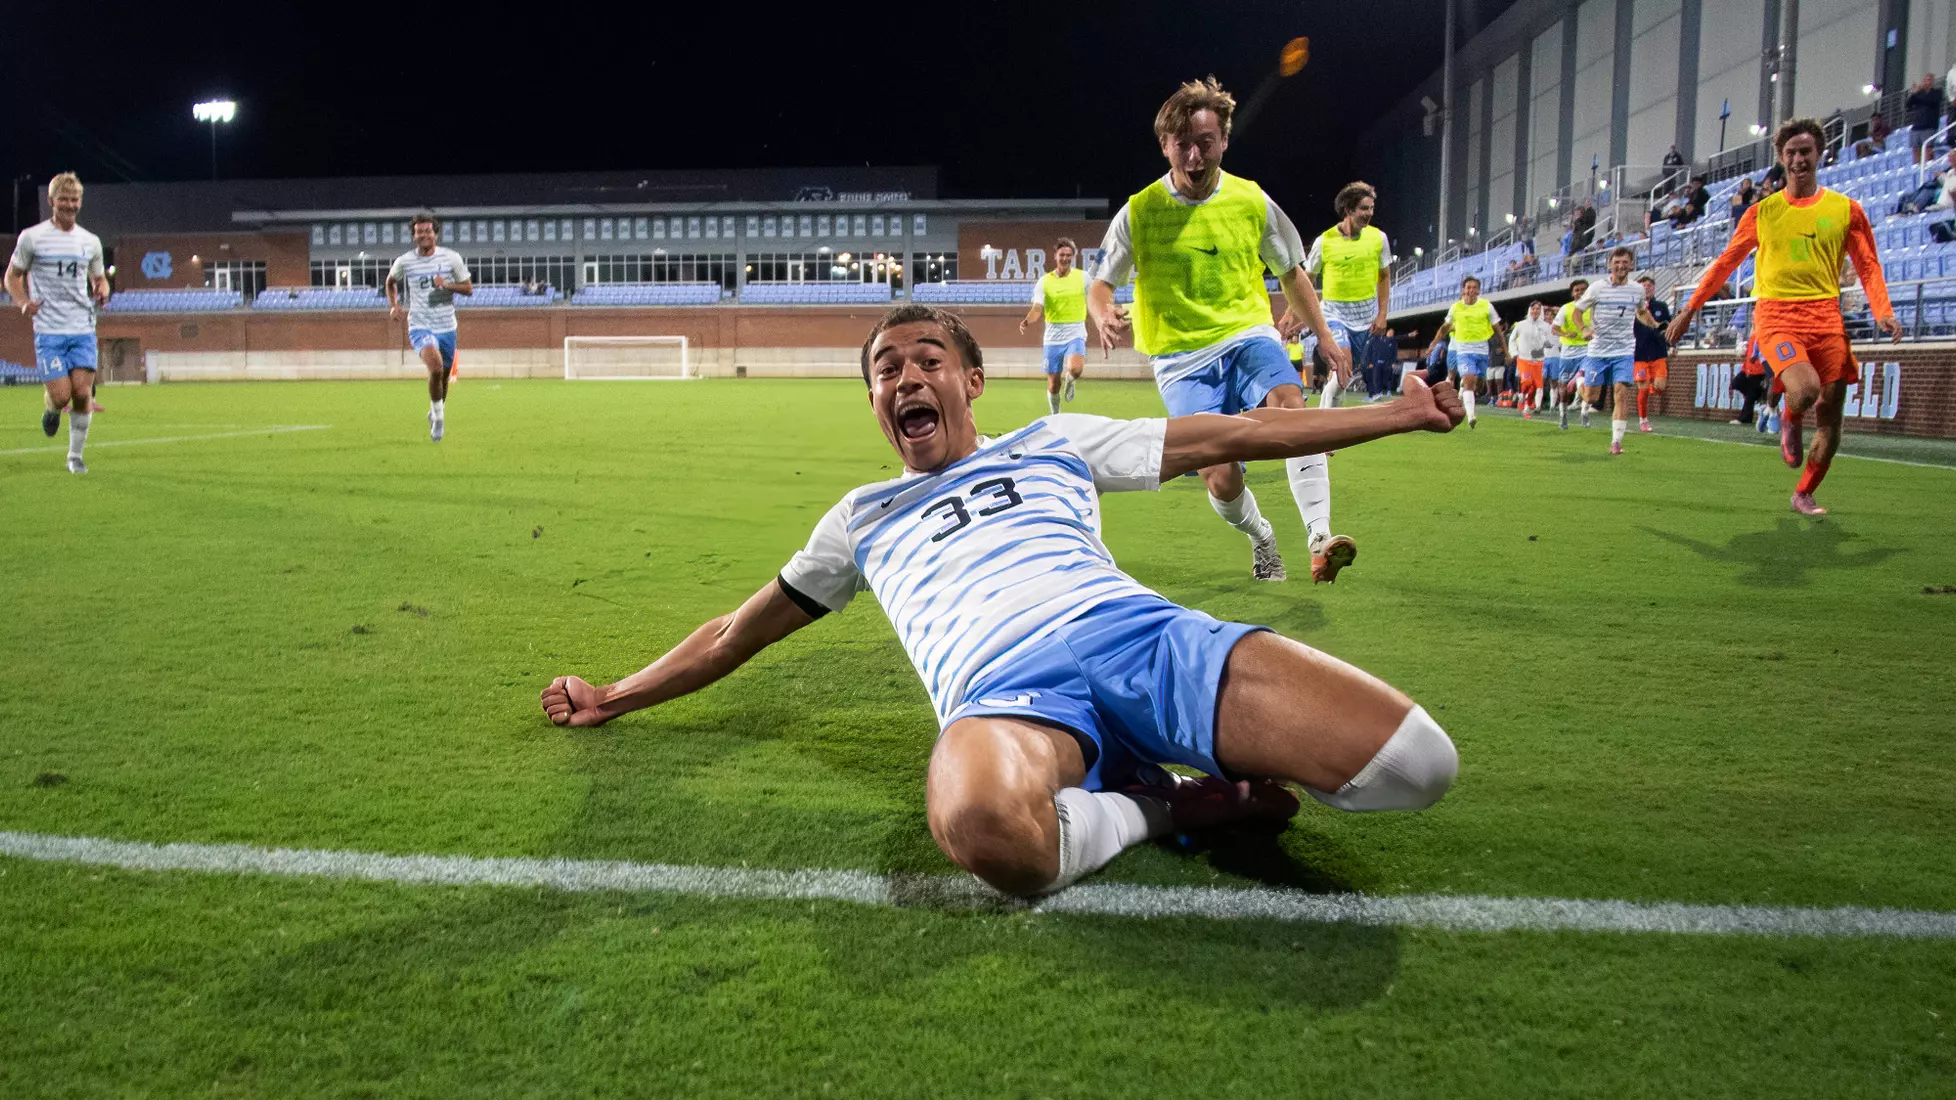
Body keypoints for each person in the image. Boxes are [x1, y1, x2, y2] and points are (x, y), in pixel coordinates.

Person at [539, 305, 1466, 898]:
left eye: (926, 359)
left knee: (1415, 763)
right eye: (885, 369)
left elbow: (1235, 429)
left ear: (970, 381)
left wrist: (1397, 413)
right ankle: (1176, 808)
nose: (905, 377)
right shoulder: (859, 519)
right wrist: (614, 696)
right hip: (1006, 700)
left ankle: (1182, 764)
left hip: (1140, 639)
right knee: (983, 824)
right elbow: (736, 633)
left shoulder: (1054, 440)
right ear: (873, 402)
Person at [1088, 77, 1354, 584]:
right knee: (1220, 472)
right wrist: (1102, 313)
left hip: (1247, 333)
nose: (1193, 157)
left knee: (1289, 406)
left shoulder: (1252, 201)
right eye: (1182, 145)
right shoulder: (1139, 212)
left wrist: (1324, 334)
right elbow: (1101, 283)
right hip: (1180, 357)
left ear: (1224, 141)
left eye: (1205, 143)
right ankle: (1262, 537)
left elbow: (1291, 272)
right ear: (1164, 145)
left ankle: (1320, 537)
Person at [1667, 117, 1902, 515]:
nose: (1798, 159)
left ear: (1819, 154)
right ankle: (1788, 416)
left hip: (1827, 317)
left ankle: (1804, 492)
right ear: (1780, 158)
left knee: (1831, 415)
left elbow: (1868, 266)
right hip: (1777, 314)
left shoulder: (1847, 210)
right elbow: (1726, 263)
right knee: (1805, 389)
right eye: (1790, 153)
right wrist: (1690, 309)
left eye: (1805, 151)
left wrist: (1884, 311)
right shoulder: (1763, 213)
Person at [5, 173, 109, 474]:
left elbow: (99, 277)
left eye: (74, 199)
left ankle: (74, 457)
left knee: (81, 394)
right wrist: (23, 302)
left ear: (80, 202)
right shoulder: (32, 237)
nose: (70, 205)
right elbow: (12, 276)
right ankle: (51, 408)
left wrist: (102, 289)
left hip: (82, 327)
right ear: (52, 201)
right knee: (62, 395)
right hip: (49, 330)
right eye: (64, 199)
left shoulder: (90, 241)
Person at [1306, 181, 1394, 410]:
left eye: (1372, 208)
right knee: (1342, 366)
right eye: (1364, 208)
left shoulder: (1378, 239)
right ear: (1348, 209)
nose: (1369, 214)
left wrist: (1382, 313)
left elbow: (1384, 277)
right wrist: (1291, 313)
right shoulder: (1324, 241)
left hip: (1363, 321)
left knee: (1341, 380)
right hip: (1333, 314)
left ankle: (1324, 427)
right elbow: (1307, 279)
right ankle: (1325, 438)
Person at [386, 213, 473, 441]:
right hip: (420, 324)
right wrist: (394, 306)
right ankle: (439, 419)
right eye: (419, 231)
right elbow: (390, 281)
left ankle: (434, 411)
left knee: (443, 378)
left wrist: (447, 284)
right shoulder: (405, 261)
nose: (423, 235)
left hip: (446, 325)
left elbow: (468, 289)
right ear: (414, 235)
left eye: (427, 231)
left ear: (435, 233)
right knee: (434, 367)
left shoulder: (451, 258)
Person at [1569, 248, 1655, 454]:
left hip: (1624, 349)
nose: (1620, 266)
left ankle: (1616, 441)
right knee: (1591, 397)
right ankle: (1580, 381)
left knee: (1621, 393)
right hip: (1598, 350)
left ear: (1631, 265)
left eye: (1625, 262)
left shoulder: (1637, 290)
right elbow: (1577, 312)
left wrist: (1656, 325)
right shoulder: (1597, 288)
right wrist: (1583, 329)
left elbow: (1641, 312)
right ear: (1610, 264)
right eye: (1617, 262)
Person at [1420, 275, 1504, 429]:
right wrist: (1433, 345)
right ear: (1463, 290)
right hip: (1461, 349)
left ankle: (1463, 391)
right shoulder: (1456, 308)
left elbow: (1497, 329)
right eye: (1468, 288)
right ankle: (1470, 414)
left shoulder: (1486, 306)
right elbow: (1445, 328)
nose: (1471, 291)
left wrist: (1506, 351)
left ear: (1478, 290)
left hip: (1482, 350)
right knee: (1462, 378)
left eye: (1474, 288)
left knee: (1477, 382)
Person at [1019, 237, 1090, 415]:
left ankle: (1071, 380)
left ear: (1073, 257)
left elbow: (1095, 299)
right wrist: (1028, 320)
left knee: (1076, 368)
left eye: (1068, 255)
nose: (1065, 258)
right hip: (1053, 336)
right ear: (1055, 256)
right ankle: (1055, 416)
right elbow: (1037, 308)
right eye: (1062, 254)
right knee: (1053, 383)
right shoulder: (1044, 281)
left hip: (1076, 330)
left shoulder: (1084, 278)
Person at [1549, 279, 1592, 427]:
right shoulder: (1566, 308)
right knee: (1563, 383)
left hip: (1588, 349)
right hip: (1568, 352)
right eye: (1577, 290)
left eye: (1583, 289)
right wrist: (1566, 334)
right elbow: (1554, 328)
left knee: (1586, 378)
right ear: (1572, 293)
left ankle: (1584, 413)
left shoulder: (1593, 308)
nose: (1580, 292)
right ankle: (1563, 415)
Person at [1633, 274, 1672, 431]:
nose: (1646, 288)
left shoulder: (1661, 306)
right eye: (1643, 285)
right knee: (1642, 389)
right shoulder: (1634, 308)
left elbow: (1667, 326)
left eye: (1649, 285)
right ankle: (1643, 420)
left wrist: (1671, 343)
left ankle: (1650, 386)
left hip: (1658, 351)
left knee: (1660, 386)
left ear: (1653, 288)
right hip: (1640, 353)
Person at [1509, 301, 1554, 419]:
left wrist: (1545, 343)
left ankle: (1527, 406)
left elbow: (1550, 343)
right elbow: (1512, 339)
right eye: (1533, 309)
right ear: (1530, 310)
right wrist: (1514, 352)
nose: (1535, 311)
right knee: (1527, 381)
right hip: (1523, 358)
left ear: (1541, 311)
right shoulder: (1521, 324)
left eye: (1538, 309)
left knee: (1535, 385)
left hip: (1538, 360)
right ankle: (1522, 395)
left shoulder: (1546, 326)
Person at [1907, 74, 1943, 161]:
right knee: (1915, 149)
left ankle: (1928, 167)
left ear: (1932, 81)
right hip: (1917, 125)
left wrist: (1918, 94)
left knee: (1928, 148)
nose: (1927, 82)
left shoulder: (1937, 92)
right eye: (1926, 80)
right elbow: (1908, 105)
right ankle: (1917, 169)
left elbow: (1931, 101)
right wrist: (1913, 93)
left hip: (1929, 126)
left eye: (1929, 80)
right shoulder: (1918, 94)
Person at [1366, 326, 1399, 400]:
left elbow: (1394, 352)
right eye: (1389, 332)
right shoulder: (1374, 339)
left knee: (1384, 378)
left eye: (1391, 333)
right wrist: (1370, 362)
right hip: (1375, 363)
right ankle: (1376, 393)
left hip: (1385, 363)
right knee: (1375, 378)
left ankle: (1383, 392)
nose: (1389, 333)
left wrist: (1392, 362)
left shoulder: (1389, 341)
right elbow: (1369, 352)